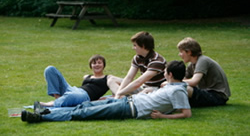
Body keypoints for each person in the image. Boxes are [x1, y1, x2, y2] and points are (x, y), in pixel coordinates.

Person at [21, 60, 191, 123]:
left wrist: (163, 116)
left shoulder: (178, 91)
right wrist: (148, 91)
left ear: (169, 74)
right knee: (84, 106)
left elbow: (186, 113)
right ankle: (47, 110)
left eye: (165, 72)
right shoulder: (172, 87)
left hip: (129, 109)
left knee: (83, 113)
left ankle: (41, 116)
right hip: (127, 102)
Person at [38, 54, 122, 107]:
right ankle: (58, 98)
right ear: (91, 66)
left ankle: (50, 104)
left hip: (85, 96)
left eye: (99, 63)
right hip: (74, 90)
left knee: (72, 96)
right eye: (94, 63)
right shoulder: (87, 76)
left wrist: (113, 96)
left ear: (104, 65)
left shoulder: (107, 78)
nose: (97, 65)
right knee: (50, 69)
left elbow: (122, 83)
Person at [177, 37, 231, 107]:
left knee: (185, 88)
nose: (179, 54)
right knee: (178, 89)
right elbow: (181, 78)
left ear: (189, 52)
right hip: (206, 93)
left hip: (217, 96)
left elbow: (194, 81)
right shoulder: (192, 64)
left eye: (181, 52)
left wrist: (174, 82)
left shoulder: (203, 61)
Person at [115, 31, 167, 99]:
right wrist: (119, 93)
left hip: (156, 90)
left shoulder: (157, 61)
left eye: (135, 45)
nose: (133, 48)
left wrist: (120, 92)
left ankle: (127, 101)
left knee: (145, 91)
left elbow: (139, 82)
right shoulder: (137, 58)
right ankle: (120, 99)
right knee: (111, 79)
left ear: (143, 46)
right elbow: (129, 77)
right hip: (144, 87)